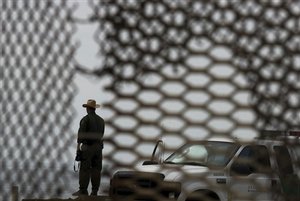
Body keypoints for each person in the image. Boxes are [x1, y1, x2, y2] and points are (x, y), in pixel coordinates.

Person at [72, 99, 105, 196]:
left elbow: (81, 136)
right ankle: (94, 191)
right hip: (99, 148)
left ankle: (83, 190)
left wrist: (78, 149)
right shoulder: (101, 121)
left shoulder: (85, 119)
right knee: (96, 169)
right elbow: (101, 134)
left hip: (88, 147)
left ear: (87, 108)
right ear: (94, 108)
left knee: (85, 169)